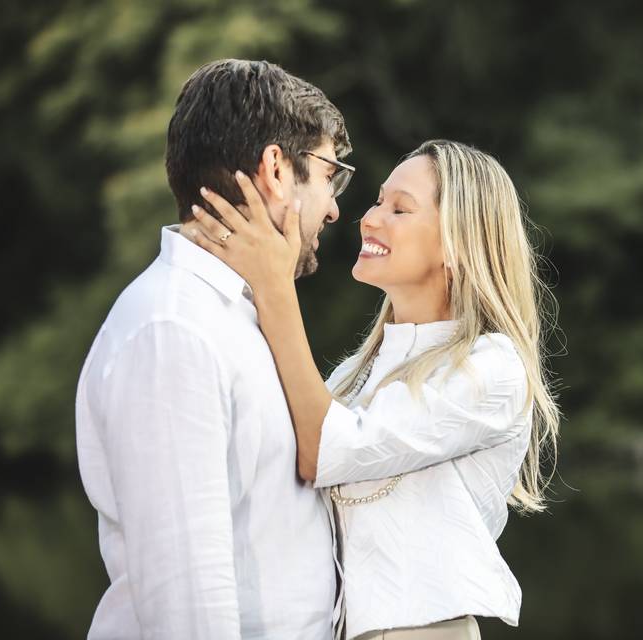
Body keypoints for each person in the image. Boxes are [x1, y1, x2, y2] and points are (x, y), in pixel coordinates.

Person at [189, 139, 561, 639]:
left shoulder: (491, 369)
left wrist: (274, 284)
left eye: (400, 209)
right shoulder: (351, 376)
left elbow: (324, 450)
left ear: (458, 243)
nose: (368, 217)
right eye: (378, 200)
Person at [75, 59, 354, 639]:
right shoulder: (172, 330)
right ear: (276, 169)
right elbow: (187, 604)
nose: (333, 206)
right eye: (330, 173)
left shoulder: (237, 318)